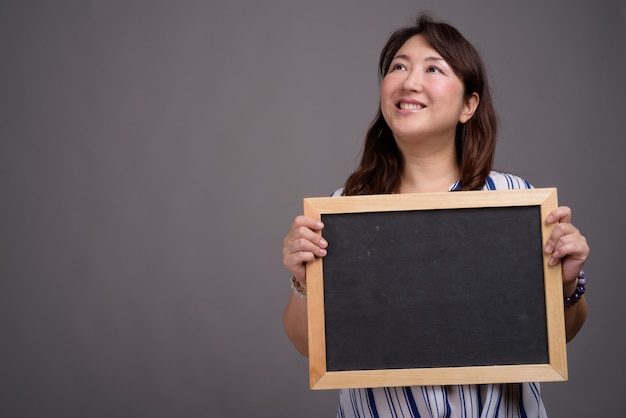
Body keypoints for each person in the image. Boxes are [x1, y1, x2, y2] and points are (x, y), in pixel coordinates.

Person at [282, 14, 588, 418]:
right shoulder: (345, 210)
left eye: (432, 68)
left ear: (468, 105)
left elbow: (554, 336)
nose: (410, 81)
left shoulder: (512, 198)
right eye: (398, 66)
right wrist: (303, 281)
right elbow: (310, 346)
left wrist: (563, 283)